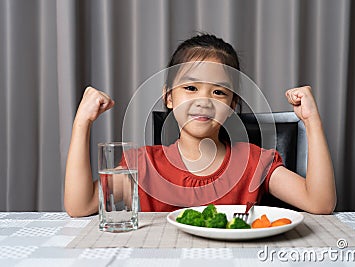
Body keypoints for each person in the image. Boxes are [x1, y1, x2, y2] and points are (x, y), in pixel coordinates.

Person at [64, 34, 336, 217]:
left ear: (232, 106)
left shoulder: (254, 162)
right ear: (169, 97)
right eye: (191, 87)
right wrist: (82, 124)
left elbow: (320, 202)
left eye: (219, 92)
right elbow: (80, 205)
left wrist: (311, 121)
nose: (204, 101)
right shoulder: (143, 165)